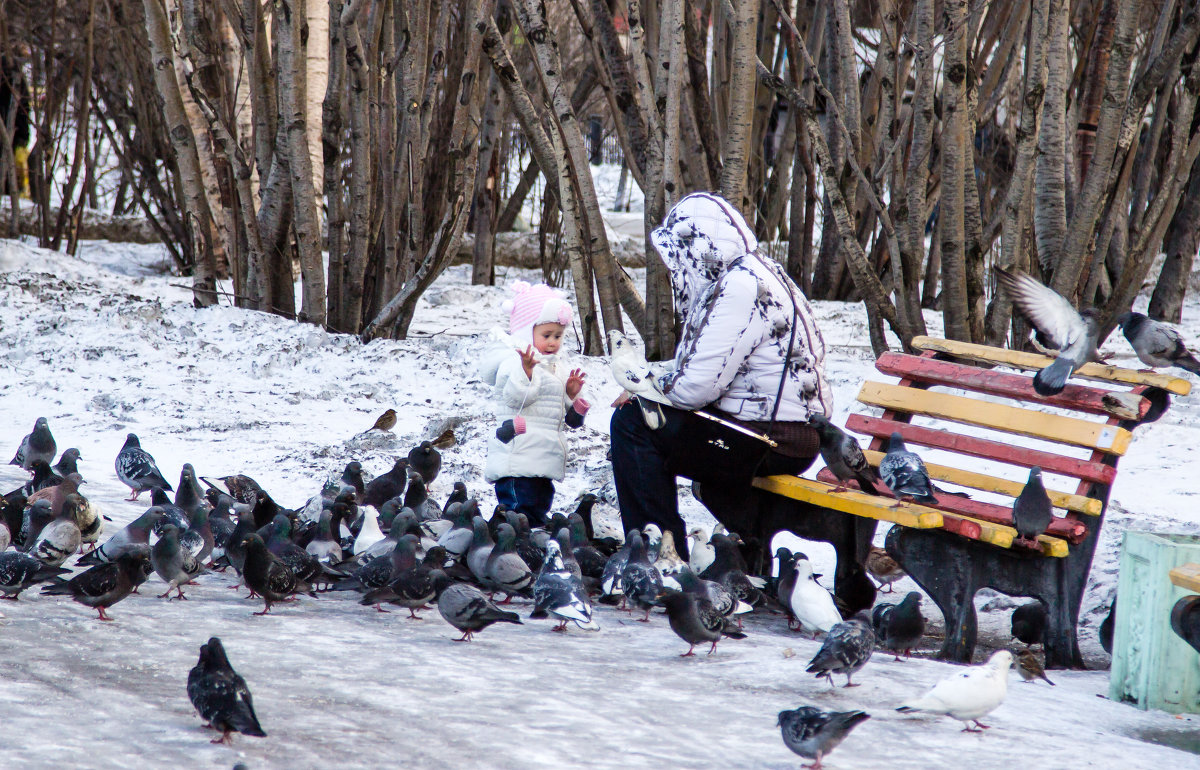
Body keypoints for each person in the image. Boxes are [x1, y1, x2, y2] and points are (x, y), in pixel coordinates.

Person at [610, 192, 833, 560]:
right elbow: (701, 368)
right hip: (784, 431)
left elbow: (695, 387)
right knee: (645, 413)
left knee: (633, 423)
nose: (676, 268)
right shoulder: (758, 273)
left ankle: (658, 553)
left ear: (698, 249)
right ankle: (667, 546)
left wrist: (644, 392)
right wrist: (648, 385)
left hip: (772, 440)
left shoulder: (737, 288)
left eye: (679, 256)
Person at [480, 282, 590, 526]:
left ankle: (529, 546)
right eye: (546, 335)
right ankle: (507, 543)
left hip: (543, 456)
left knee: (539, 505)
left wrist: (571, 395)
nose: (553, 342)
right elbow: (516, 398)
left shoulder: (556, 366)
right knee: (519, 508)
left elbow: (564, 416)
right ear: (526, 331)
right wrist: (526, 372)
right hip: (519, 456)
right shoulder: (514, 362)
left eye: (558, 336)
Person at [0, 52, 31, 198]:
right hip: (10, 131)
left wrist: (23, 135)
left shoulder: (10, 69)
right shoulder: (12, 67)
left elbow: (23, 105)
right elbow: (24, 105)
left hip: (9, 131)